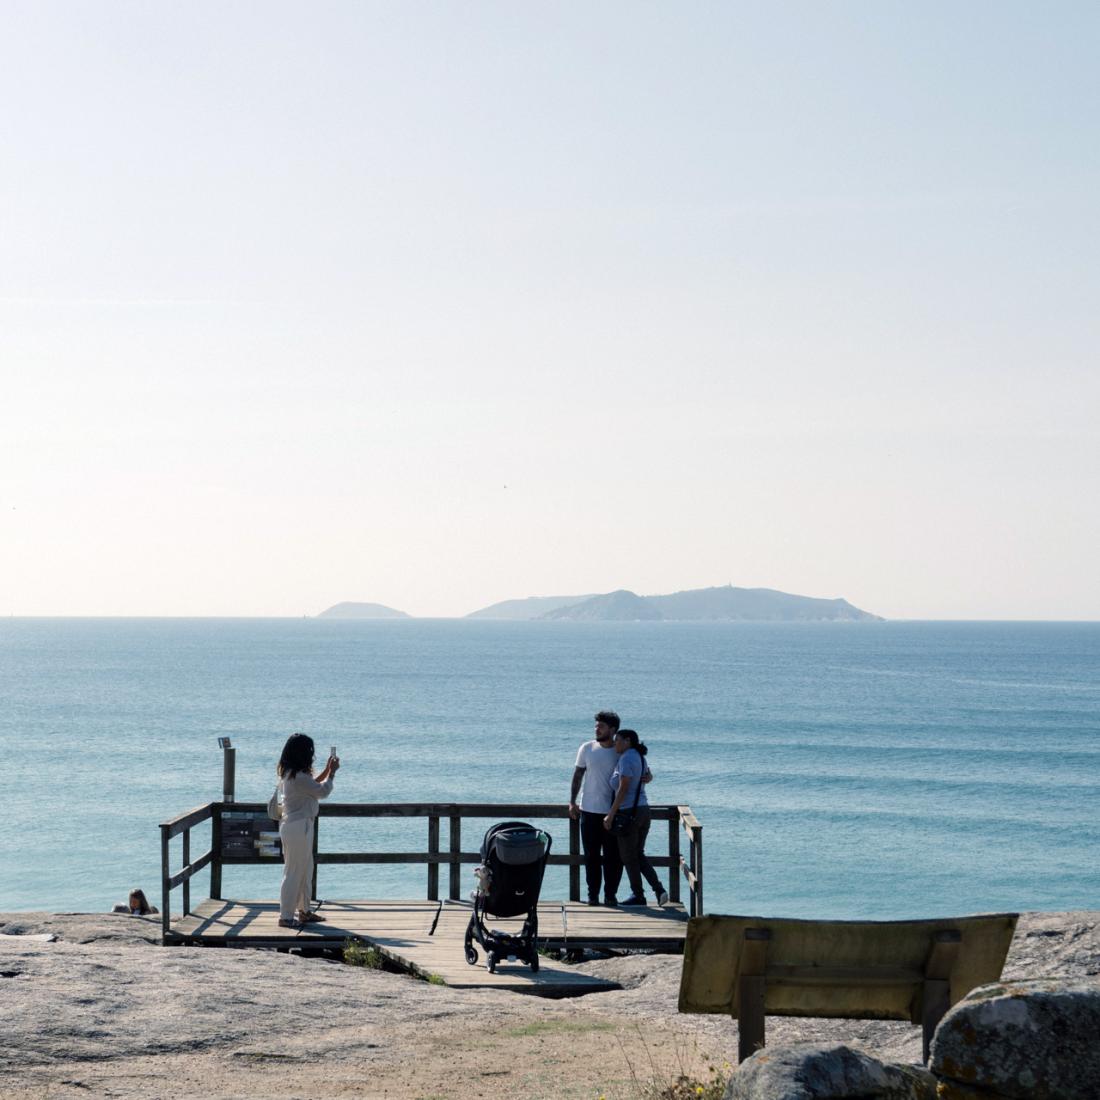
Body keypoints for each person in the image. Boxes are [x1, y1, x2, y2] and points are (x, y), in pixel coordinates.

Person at [277, 732, 339, 928]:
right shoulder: (299, 777)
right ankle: (286, 916)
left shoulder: (292, 774)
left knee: (305, 869)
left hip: (297, 826)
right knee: (295, 872)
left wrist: (327, 770)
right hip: (299, 827)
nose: (312, 754)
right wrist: (333, 773)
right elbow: (322, 791)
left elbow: (313, 785)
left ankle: (304, 910)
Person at [603, 728, 668, 907]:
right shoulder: (639, 757)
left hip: (628, 813)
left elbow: (623, 788)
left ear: (628, 741)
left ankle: (639, 895)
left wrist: (611, 814)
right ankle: (659, 890)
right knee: (637, 854)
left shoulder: (626, 758)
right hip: (643, 810)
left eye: (618, 740)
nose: (615, 743)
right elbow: (647, 776)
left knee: (629, 857)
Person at [568, 710, 625, 906]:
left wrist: (648, 776)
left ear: (612, 729)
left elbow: (639, 769)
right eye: (596, 726)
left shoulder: (621, 750)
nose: (597, 729)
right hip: (589, 810)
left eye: (601, 726)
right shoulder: (587, 748)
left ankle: (610, 895)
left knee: (614, 858)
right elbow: (578, 775)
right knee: (591, 857)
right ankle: (593, 896)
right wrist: (572, 801)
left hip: (613, 813)